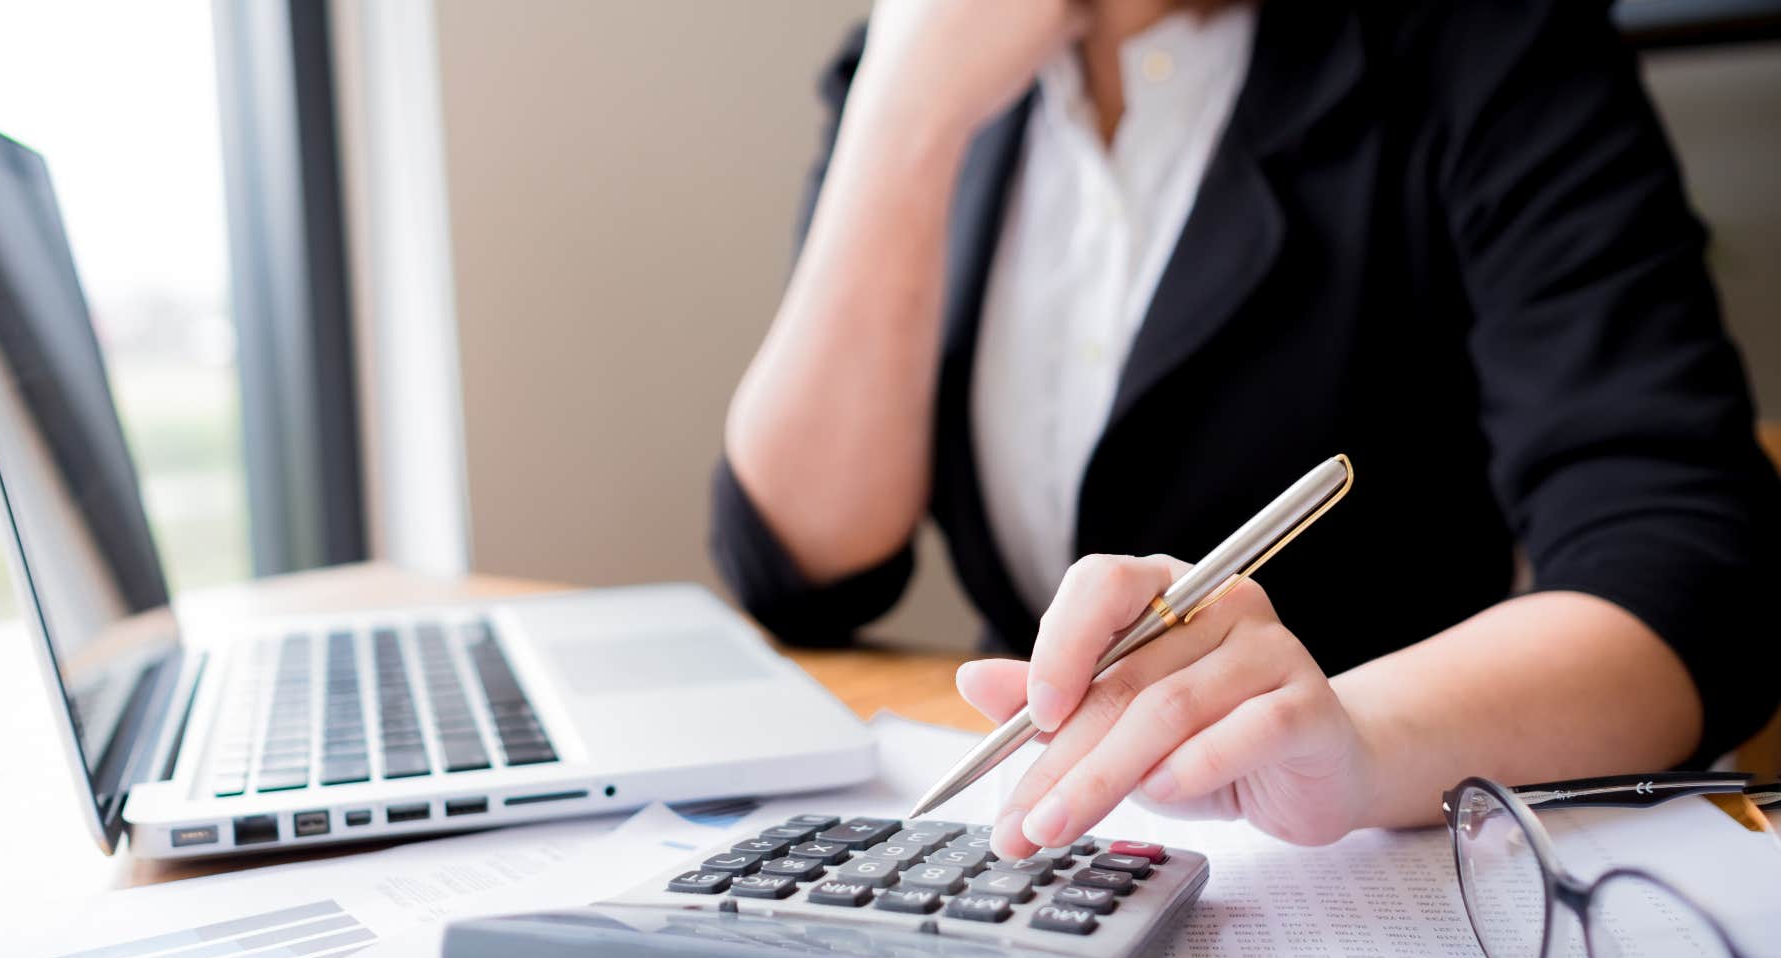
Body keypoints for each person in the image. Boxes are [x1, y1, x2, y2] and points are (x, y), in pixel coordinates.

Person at [711, 0, 1781, 859]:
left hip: (1371, 867)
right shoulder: (926, 50)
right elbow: (807, 567)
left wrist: (1357, 742)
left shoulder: (1491, 40)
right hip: (1037, 838)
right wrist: (906, 113)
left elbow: (1685, 570)